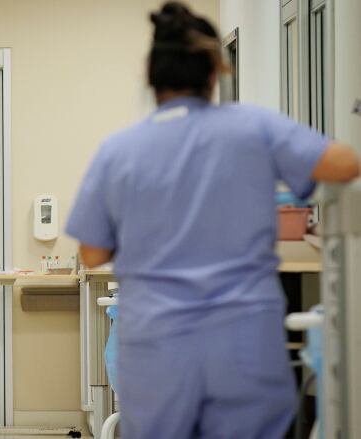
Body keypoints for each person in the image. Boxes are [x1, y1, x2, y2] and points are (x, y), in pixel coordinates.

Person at [65, 3, 359, 438]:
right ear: (215, 71)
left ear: (151, 76)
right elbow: (345, 163)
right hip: (242, 342)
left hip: (157, 346)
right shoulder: (254, 127)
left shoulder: (119, 150)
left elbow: (92, 253)